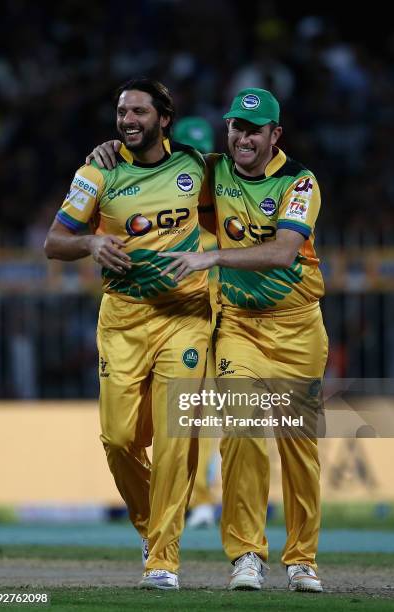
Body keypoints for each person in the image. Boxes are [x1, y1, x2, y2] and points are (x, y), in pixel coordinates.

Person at [87, 87, 328, 593]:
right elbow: (152, 172)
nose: (242, 137)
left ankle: (302, 559)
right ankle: (246, 554)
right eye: (236, 127)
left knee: (299, 448)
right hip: (238, 324)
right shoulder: (209, 170)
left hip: (299, 327)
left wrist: (212, 258)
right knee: (242, 432)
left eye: (254, 129)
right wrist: (108, 154)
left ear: (274, 135)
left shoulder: (299, 182)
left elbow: (284, 253)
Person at [44, 77, 212, 591]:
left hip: (185, 316)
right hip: (122, 318)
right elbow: (55, 242)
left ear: (165, 118)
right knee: (119, 440)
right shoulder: (98, 170)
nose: (128, 121)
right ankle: (151, 528)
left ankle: (163, 559)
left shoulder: (198, 167)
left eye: (139, 111)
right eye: (122, 113)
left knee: (174, 437)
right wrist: (92, 247)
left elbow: (243, 192)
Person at [173, 116, 219, 529]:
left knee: (199, 414)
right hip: (179, 324)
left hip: (222, 324)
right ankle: (195, 497)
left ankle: (204, 498)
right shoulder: (165, 204)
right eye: (192, 153)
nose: (199, 164)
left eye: (204, 155)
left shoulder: (220, 201)